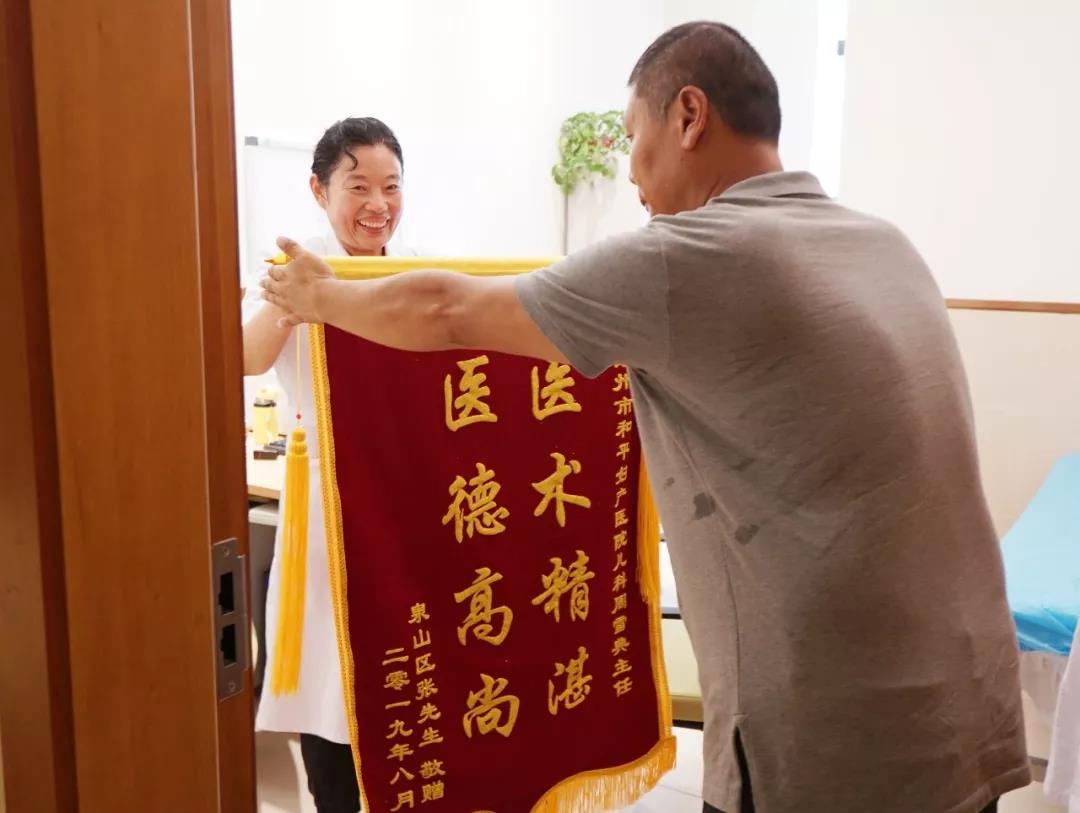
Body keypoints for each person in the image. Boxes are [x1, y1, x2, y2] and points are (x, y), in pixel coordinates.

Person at [261, 23, 1030, 813]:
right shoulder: (885, 242)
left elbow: (447, 310)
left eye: (633, 136)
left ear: (689, 116)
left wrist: (320, 296)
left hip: (831, 739)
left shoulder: (684, 257)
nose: (629, 169)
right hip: (966, 702)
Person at [245, 116, 413, 813]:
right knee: (331, 678)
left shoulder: (416, 269)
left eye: (391, 186)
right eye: (359, 186)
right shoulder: (295, 268)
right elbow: (245, 357)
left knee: (406, 667)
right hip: (327, 509)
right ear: (319, 191)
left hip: (408, 501)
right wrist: (297, 300)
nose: (378, 204)